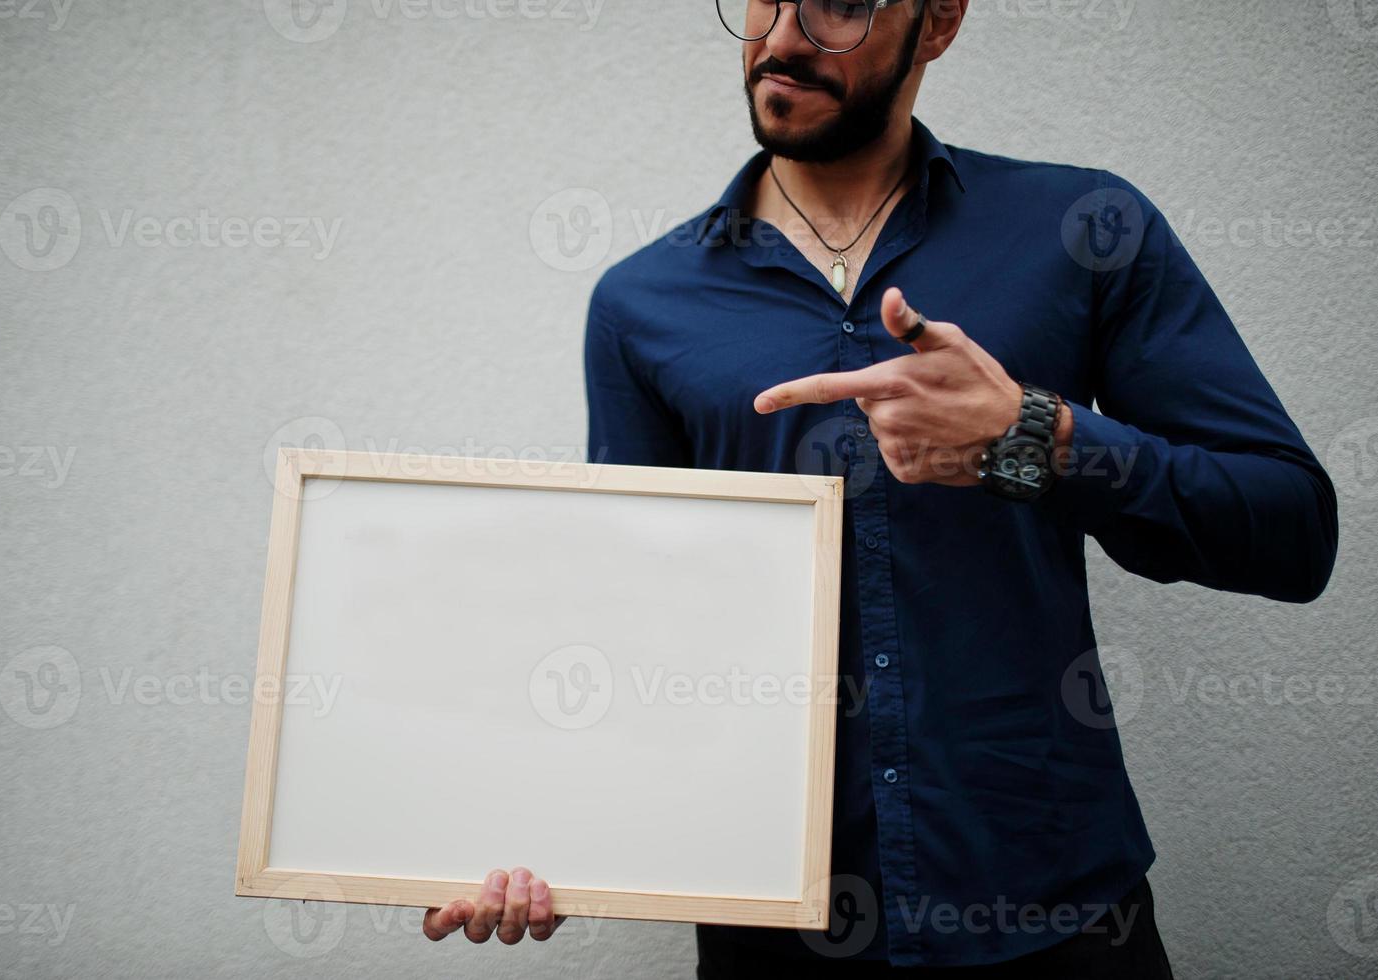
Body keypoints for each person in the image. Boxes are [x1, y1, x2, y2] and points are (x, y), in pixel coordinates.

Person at [424, 0, 1339, 973]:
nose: (780, 39)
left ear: (938, 22)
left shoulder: (1086, 230)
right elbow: (628, 627)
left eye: (842, 6)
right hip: (773, 931)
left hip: (1057, 919)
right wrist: (542, 834)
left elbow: (1289, 527)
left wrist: (1037, 438)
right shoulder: (640, 302)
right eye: (763, 0)